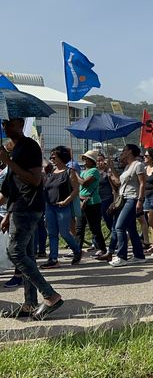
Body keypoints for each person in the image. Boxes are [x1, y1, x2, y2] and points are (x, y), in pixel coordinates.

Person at [0, 118, 63, 320]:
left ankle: (51, 296)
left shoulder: (29, 146)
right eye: (4, 123)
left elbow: (34, 180)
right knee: (26, 255)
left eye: (9, 123)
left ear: (20, 124)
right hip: (18, 209)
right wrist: (8, 214)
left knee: (15, 252)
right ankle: (29, 303)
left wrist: (8, 161)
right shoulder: (16, 150)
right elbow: (11, 189)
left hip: (28, 208)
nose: (5, 127)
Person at [42, 146, 82, 268]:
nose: (52, 158)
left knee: (65, 233)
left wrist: (66, 201)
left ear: (61, 157)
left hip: (63, 206)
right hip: (50, 206)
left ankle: (77, 251)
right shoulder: (50, 172)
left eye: (54, 156)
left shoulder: (70, 172)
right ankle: (53, 259)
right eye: (52, 155)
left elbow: (76, 190)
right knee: (52, 234)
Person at [107, 144, 146, 267]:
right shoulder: (127, 166)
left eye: (124, 150)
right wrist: (111, 168)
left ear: (129, 152)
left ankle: (121, 256)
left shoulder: (138, 165)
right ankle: (139, 255)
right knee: (131, 229)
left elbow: (142, 183)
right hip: (124, 198)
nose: (122, 153)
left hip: (132, 199)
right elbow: (119, 182)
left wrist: (140, 200)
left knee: (120, 227)